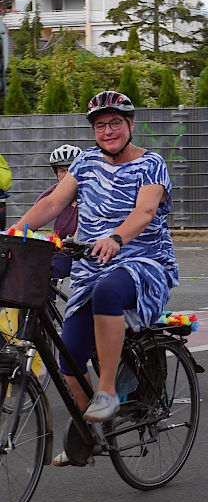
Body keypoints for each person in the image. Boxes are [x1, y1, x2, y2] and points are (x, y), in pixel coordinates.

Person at [15, 91, 179, 466]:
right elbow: (54, 203)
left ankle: (108, 391)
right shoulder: (86, 163)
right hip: (91, 266)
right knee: (67, 358)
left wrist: (117, 237)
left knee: (109, 291)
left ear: (130, 125)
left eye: (115, 123)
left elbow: (146, 210)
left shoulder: (151, 164)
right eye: (101, 125)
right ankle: (89, 428)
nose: (108, 131)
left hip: (144, 261)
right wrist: (15, 232)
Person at [34, 144, 83, 279]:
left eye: (71, 170)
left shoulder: (90, 191)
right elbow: (33, 218)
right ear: (55, 173)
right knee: (44, 271)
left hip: (90, 253)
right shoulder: (52, 194)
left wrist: (75, 239)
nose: (67, 175)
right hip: (64, 253)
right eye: (62, 170)